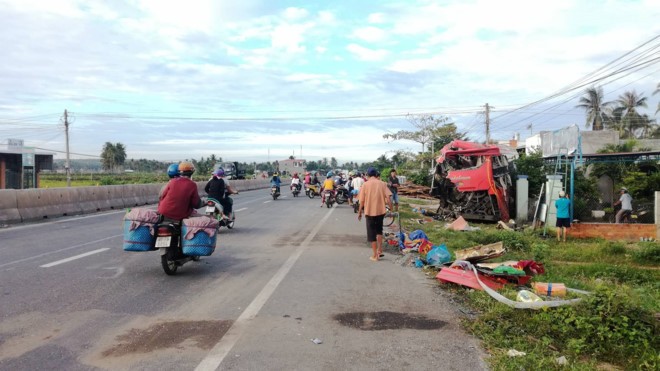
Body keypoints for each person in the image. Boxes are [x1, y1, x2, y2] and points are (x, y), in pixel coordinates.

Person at [357, 167, 393, 261]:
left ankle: (374, 255)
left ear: (367, 175)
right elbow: (389, 198)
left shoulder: (365, 185)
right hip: (380, 212)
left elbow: (361, 201)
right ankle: (380, 250)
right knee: (379, 231)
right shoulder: (382, 184)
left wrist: (360, 212)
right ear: (376, 175)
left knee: (372, 234)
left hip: (369, 212)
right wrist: (392, 209)